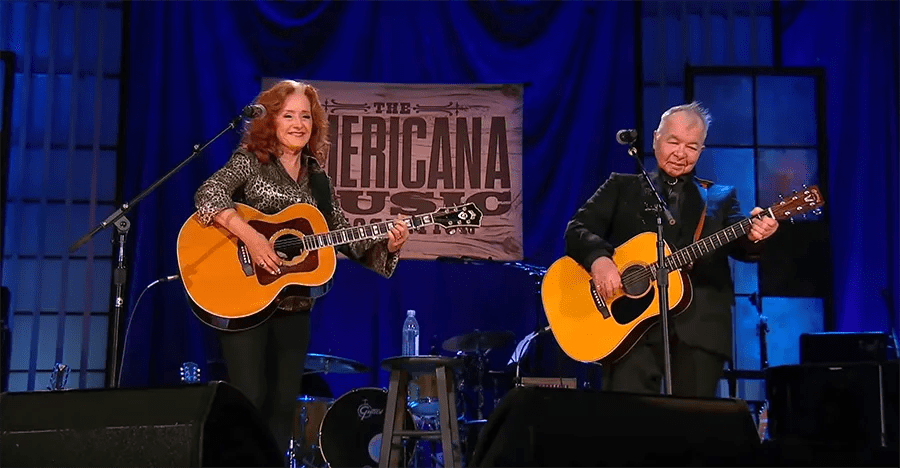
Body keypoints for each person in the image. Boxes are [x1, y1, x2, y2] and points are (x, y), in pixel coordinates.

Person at [193, 80, 410, 455]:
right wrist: (252, 237)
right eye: (288, 115)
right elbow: (207, 195)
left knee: (281, 404)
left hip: (294, 306)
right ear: (271, 121)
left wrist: (387, 244)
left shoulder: (319, 180)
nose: (298, 123)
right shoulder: (250, 161)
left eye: (305, 116)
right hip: (245, 299)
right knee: (249, 398)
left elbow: (344, 238)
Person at [564, 102, 778, 398]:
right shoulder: (621, 187)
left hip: (700, 331)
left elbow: (743, 246)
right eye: (673, 142)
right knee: (626, 421)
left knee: (693, 428)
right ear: (655, 138)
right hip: (629, 329)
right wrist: (599, 260)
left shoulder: (720, 198)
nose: (681, 153)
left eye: (692, 146)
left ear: (702, 150)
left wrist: (758, 234)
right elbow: (577, 229)